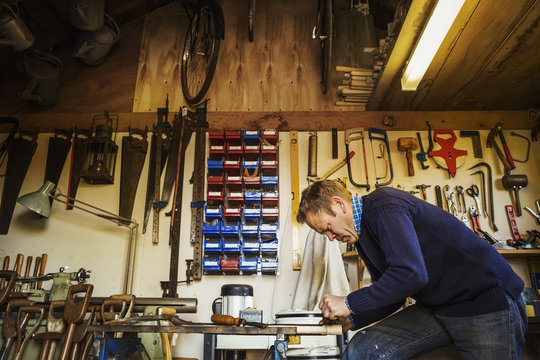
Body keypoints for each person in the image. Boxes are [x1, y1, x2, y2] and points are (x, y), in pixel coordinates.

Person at [296, 179, 527, 360]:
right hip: (439, 307)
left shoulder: (384, 206)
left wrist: (348, 302)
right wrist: (353, 319)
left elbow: (411, 274)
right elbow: (393, 294)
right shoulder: (361, 237)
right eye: (322, 233)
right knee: (364, 350)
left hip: (484, 302)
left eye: (327, 227)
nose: (330, 238)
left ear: (338, 203)